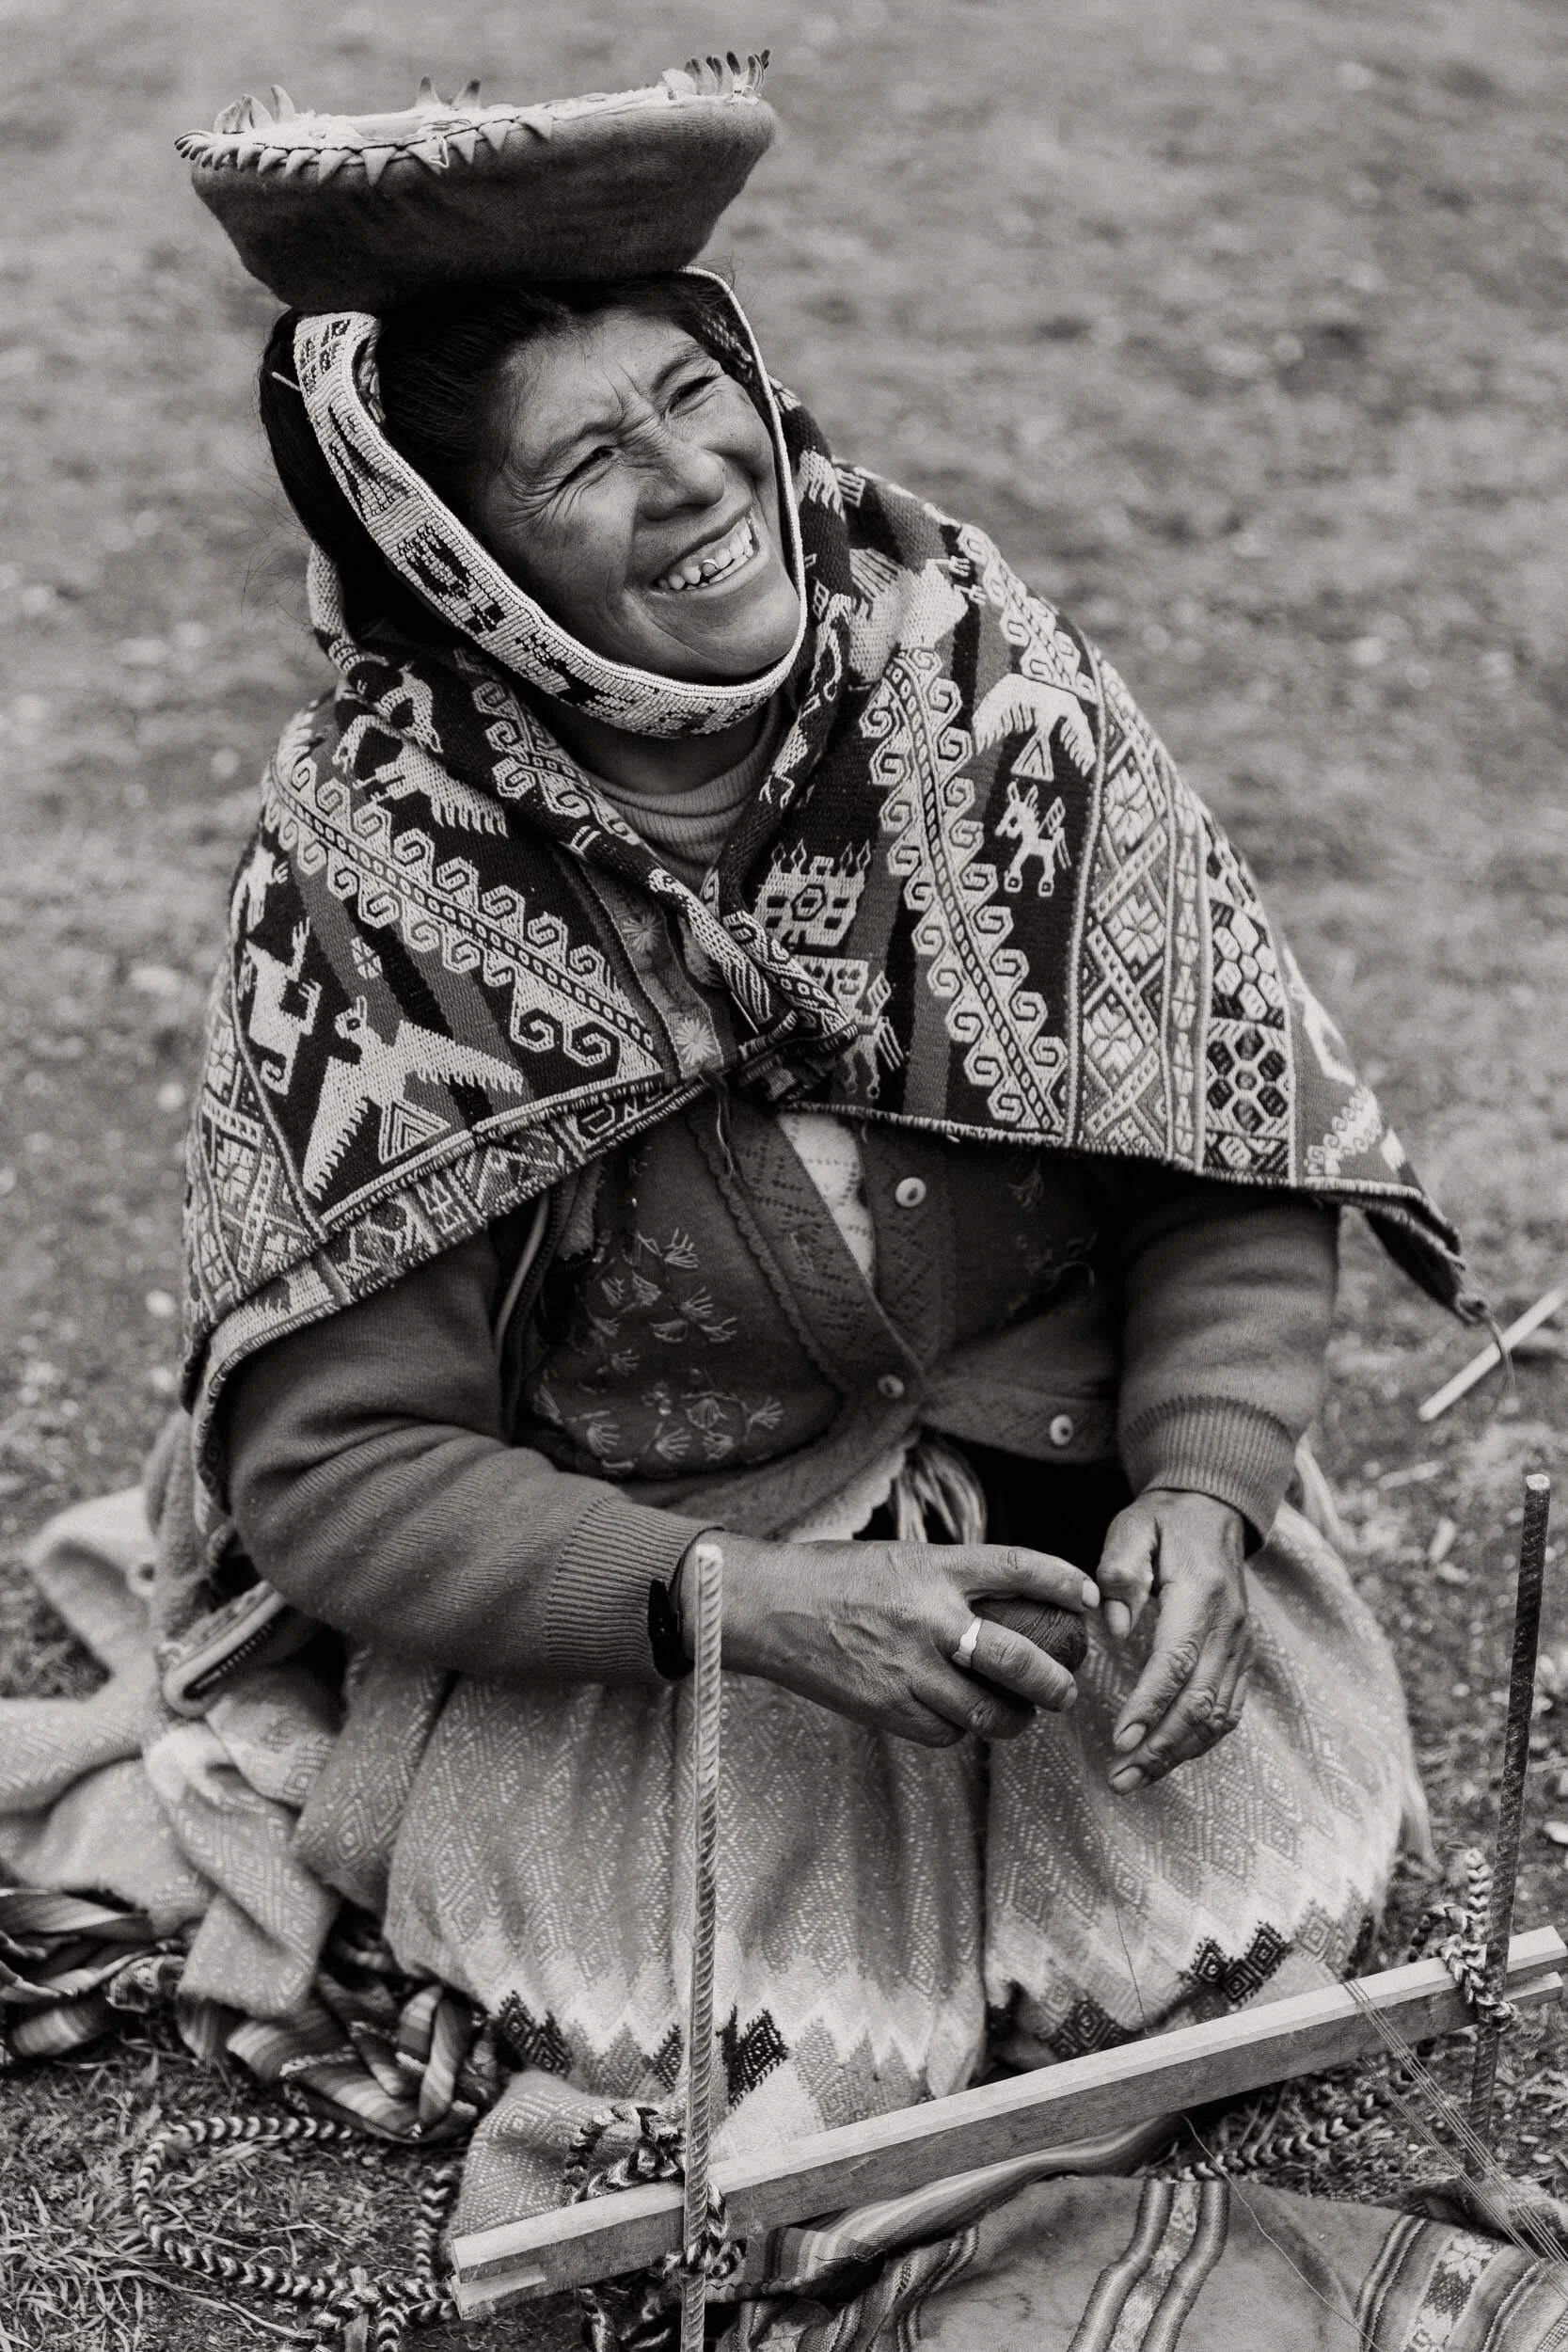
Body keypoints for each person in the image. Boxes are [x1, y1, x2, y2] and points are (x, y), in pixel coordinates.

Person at [8, 56, 1489, 2285]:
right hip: (662, 1622)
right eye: (587, 460)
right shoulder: (380, 878)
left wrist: (1198, 1465)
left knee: (1242, 1921)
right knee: (696, 2062)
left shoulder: (981, 692)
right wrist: (742, 1607)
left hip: (1059, 1534)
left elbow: (1214, 1130)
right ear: (462, 560)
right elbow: (331, 1461)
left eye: (701, 394)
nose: (696, 477)